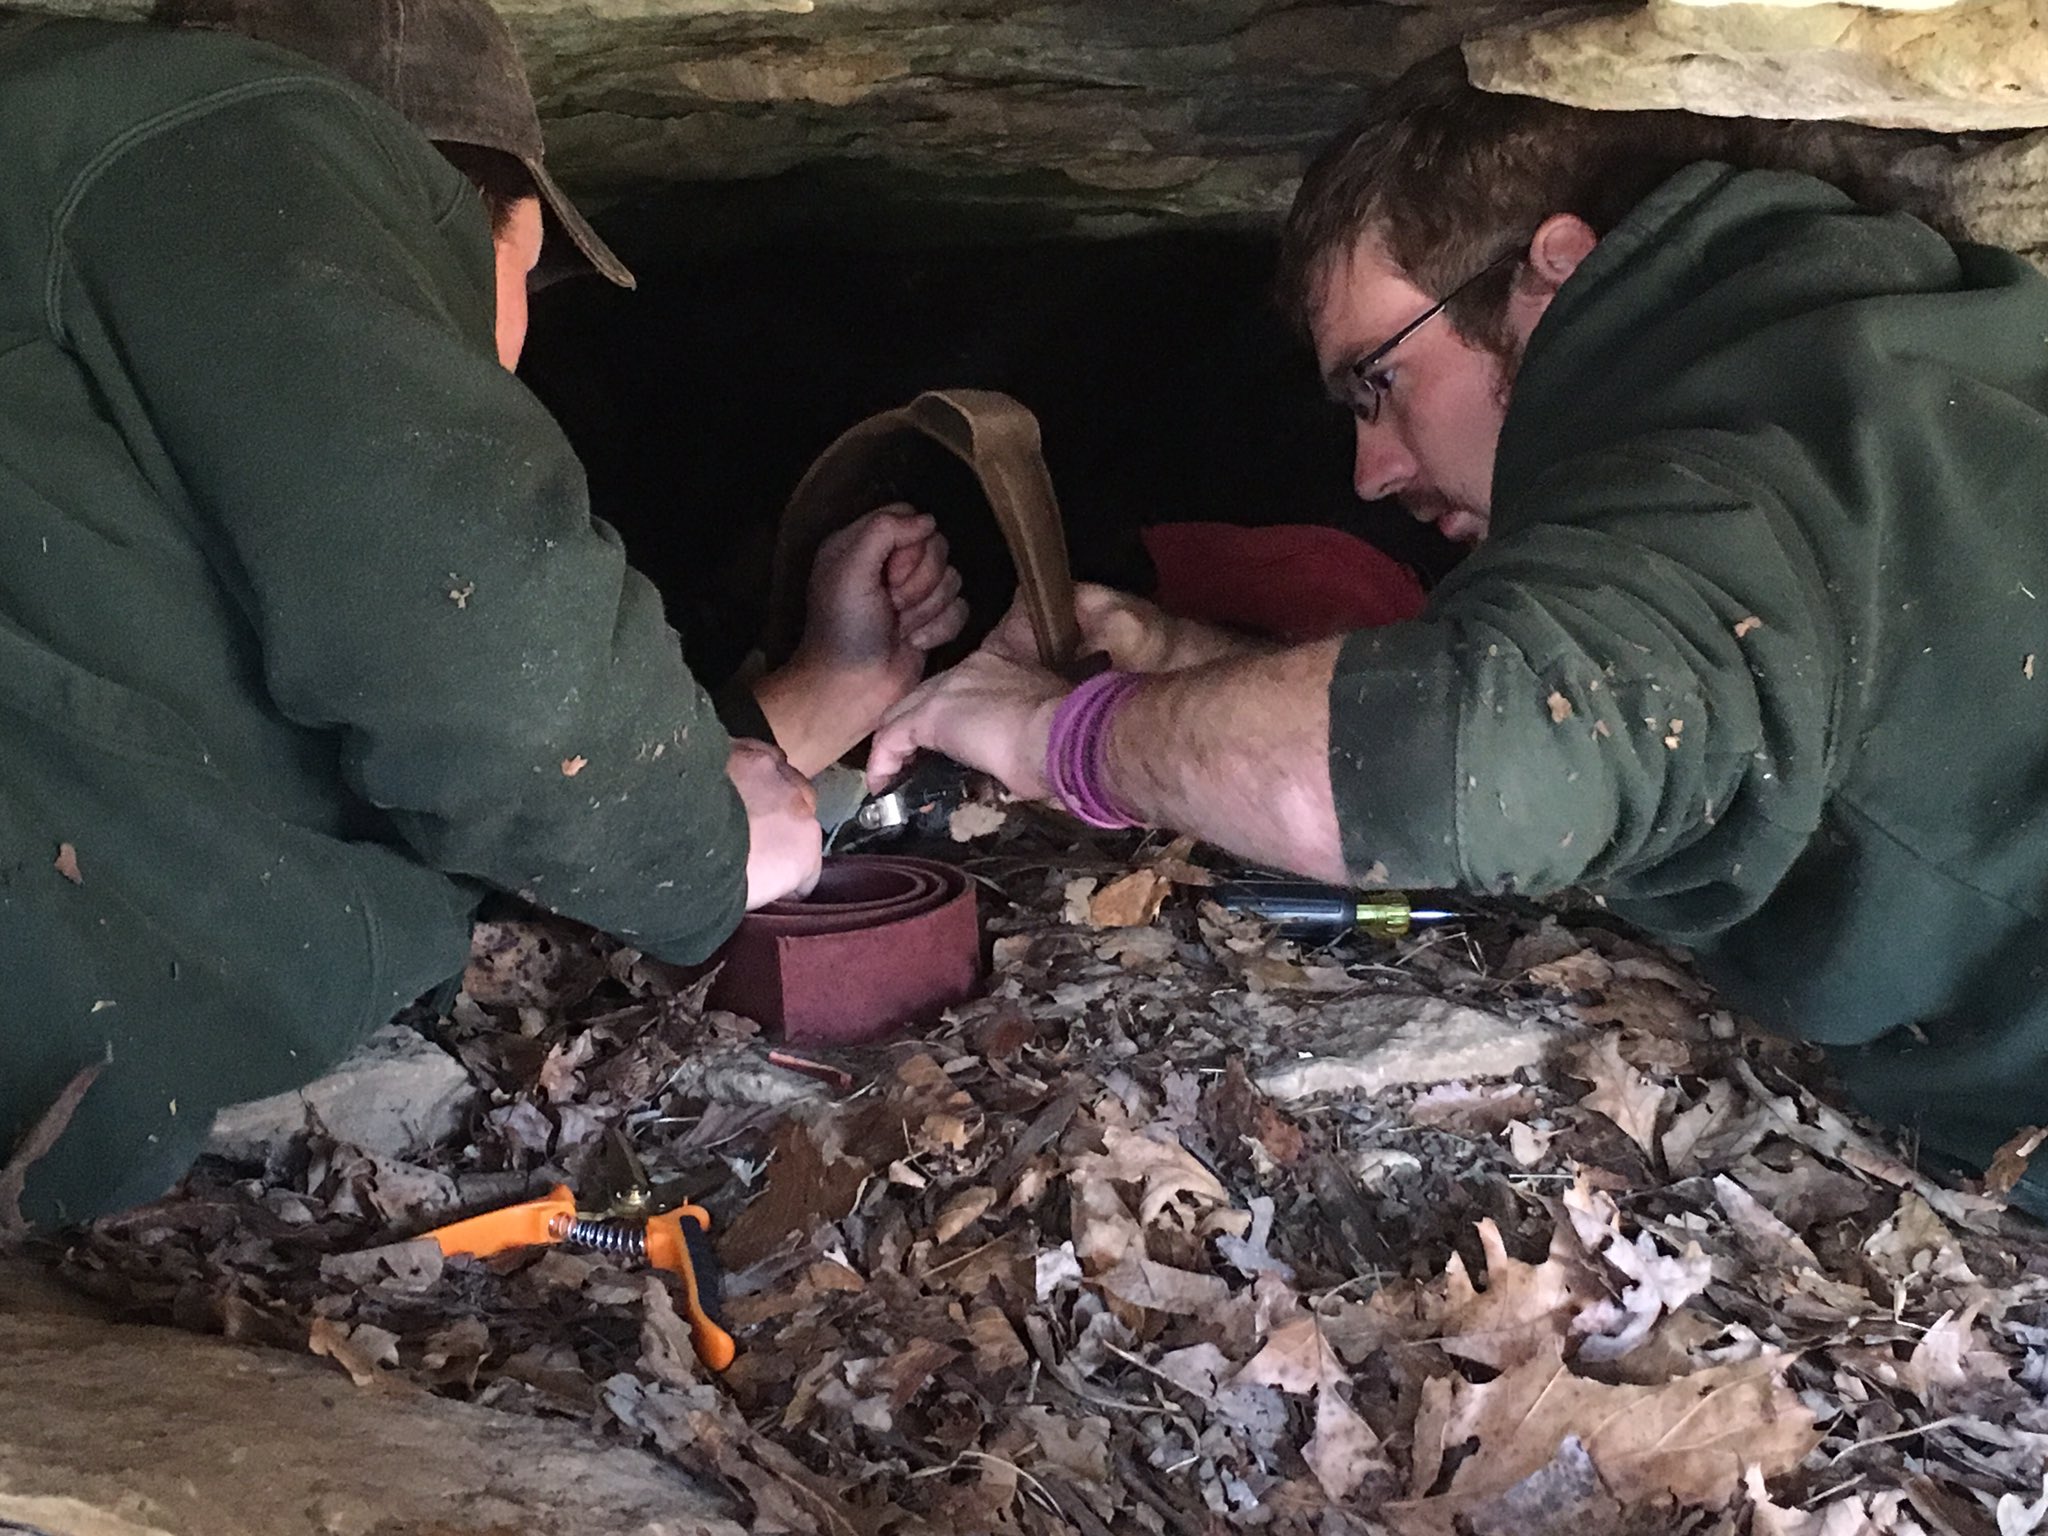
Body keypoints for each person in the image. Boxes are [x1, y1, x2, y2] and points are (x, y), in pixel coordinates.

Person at [869, 54, 2048, 1211]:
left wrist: (1058, 734)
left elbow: (1465, 759)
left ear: (1553, 266)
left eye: (1375, 384)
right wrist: (1188, 666)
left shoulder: (1716, 469)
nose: (1369, 470)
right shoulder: (1888, 345)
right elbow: (1626, 732)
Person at [0, 0, 964, 1227]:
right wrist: (692, 846)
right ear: (459, 213)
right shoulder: (238, 140)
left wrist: (817, 696)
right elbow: (486, 676)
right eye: (525, 278)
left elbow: (301, 767)